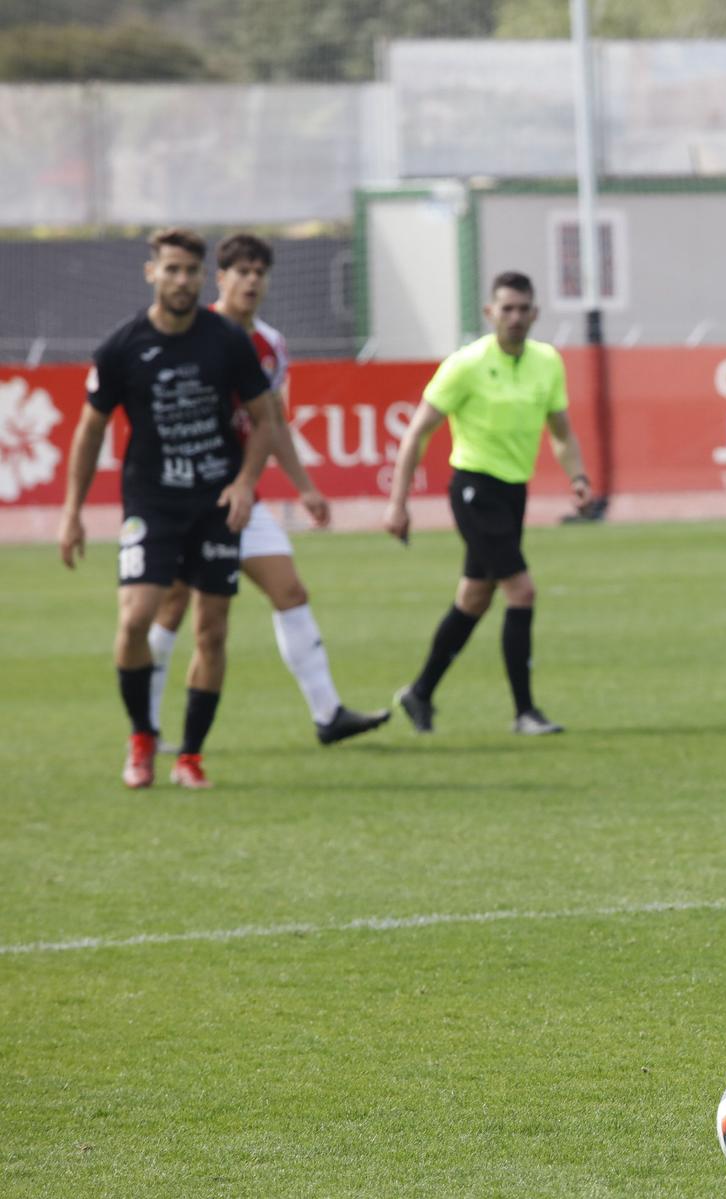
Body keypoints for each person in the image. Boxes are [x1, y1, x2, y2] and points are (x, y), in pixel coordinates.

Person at [147, 232, 390, 748]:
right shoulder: (193, 332)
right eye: (242, 272)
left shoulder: (272, 345)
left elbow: (271, 421)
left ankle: (328, 715)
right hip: (187, 497)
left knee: (290, 591)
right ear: (222, 279)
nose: (252, 281)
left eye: (260, 272)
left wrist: (305, 487)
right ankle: (145, 729)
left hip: (242, 497)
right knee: (172, 606)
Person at [57, 227, 279, 790]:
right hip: (152, 501)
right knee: (135, 619)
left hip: (215, 500)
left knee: (212, 630)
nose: (182, 280)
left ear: (203, 277)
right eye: (171, 269)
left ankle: (191, 756)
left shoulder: (227, 340)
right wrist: (72, 511)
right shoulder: (121, 346)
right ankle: (142, 737)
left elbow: (265, 418)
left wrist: (247, 483)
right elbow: (89, 430)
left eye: (191, 271)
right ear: (151, 272)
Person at [383, 271, 593, 736]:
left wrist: (577, 476)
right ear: (490, 312)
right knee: (522, 591)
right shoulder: (466, 364)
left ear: (535, 313)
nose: (515, 317)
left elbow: (560, 431)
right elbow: (418, 431)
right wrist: (398, 503)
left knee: (474, 598)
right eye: (507, 308)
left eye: (523, 309)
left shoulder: (546, 362)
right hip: (474, 489)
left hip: (512, 492)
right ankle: (525, 713)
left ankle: (419, 693)